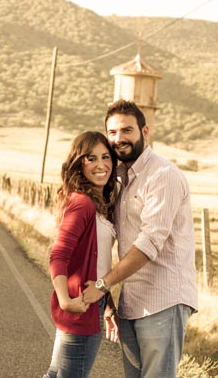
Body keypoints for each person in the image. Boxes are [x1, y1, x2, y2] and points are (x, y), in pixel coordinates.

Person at [81, 99, 198, 378]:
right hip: (132, 302)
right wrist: (109, 298)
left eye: (126, 130)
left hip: (164, 301)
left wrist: (101, 284)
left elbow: (148, 243)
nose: (118, 138)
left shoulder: (163, 176)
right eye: (112, 132)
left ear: (145, 132)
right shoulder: (119, 177)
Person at [43, 130, 120, 378]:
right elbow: (59, 254)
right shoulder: (83, 203)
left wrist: (107, 305)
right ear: (79, 164)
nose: (101, 165)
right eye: (91, 158)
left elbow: (96, 262)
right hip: (81, 305)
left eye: (106, 157)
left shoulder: (95, 203)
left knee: (56, 375)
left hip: (91, 302)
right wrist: (65, 300)